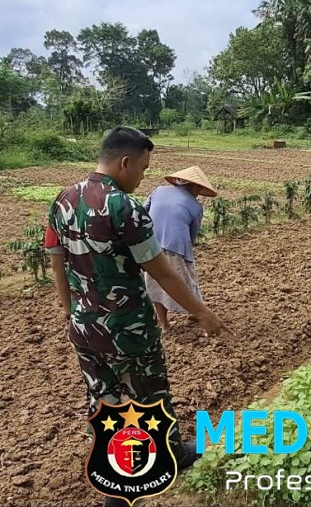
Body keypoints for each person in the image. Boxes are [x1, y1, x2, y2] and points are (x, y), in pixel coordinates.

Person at [44, 126, 232, 507]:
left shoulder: (63, 199)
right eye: (143, 169)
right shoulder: (125, 208)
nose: (143, 177)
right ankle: (163, 461)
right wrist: (202, 313)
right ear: (125, 162)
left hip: (84, 327)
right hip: (128, 328)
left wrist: (69, 311)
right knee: (149, 397)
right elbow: (163, 273)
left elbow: (56, 260)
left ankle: (116, 479)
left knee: (105, 401)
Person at [144, 166, 216, 333]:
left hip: (150, 244)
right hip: (175, 247)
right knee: (186, 281)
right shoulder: (195, 206)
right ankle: (199, 315)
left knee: (156, 282)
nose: (199, 192)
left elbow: (143, 212)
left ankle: (164, 324)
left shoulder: (159, 191)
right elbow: (192, 233)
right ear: (195, 186)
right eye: (199, 189)